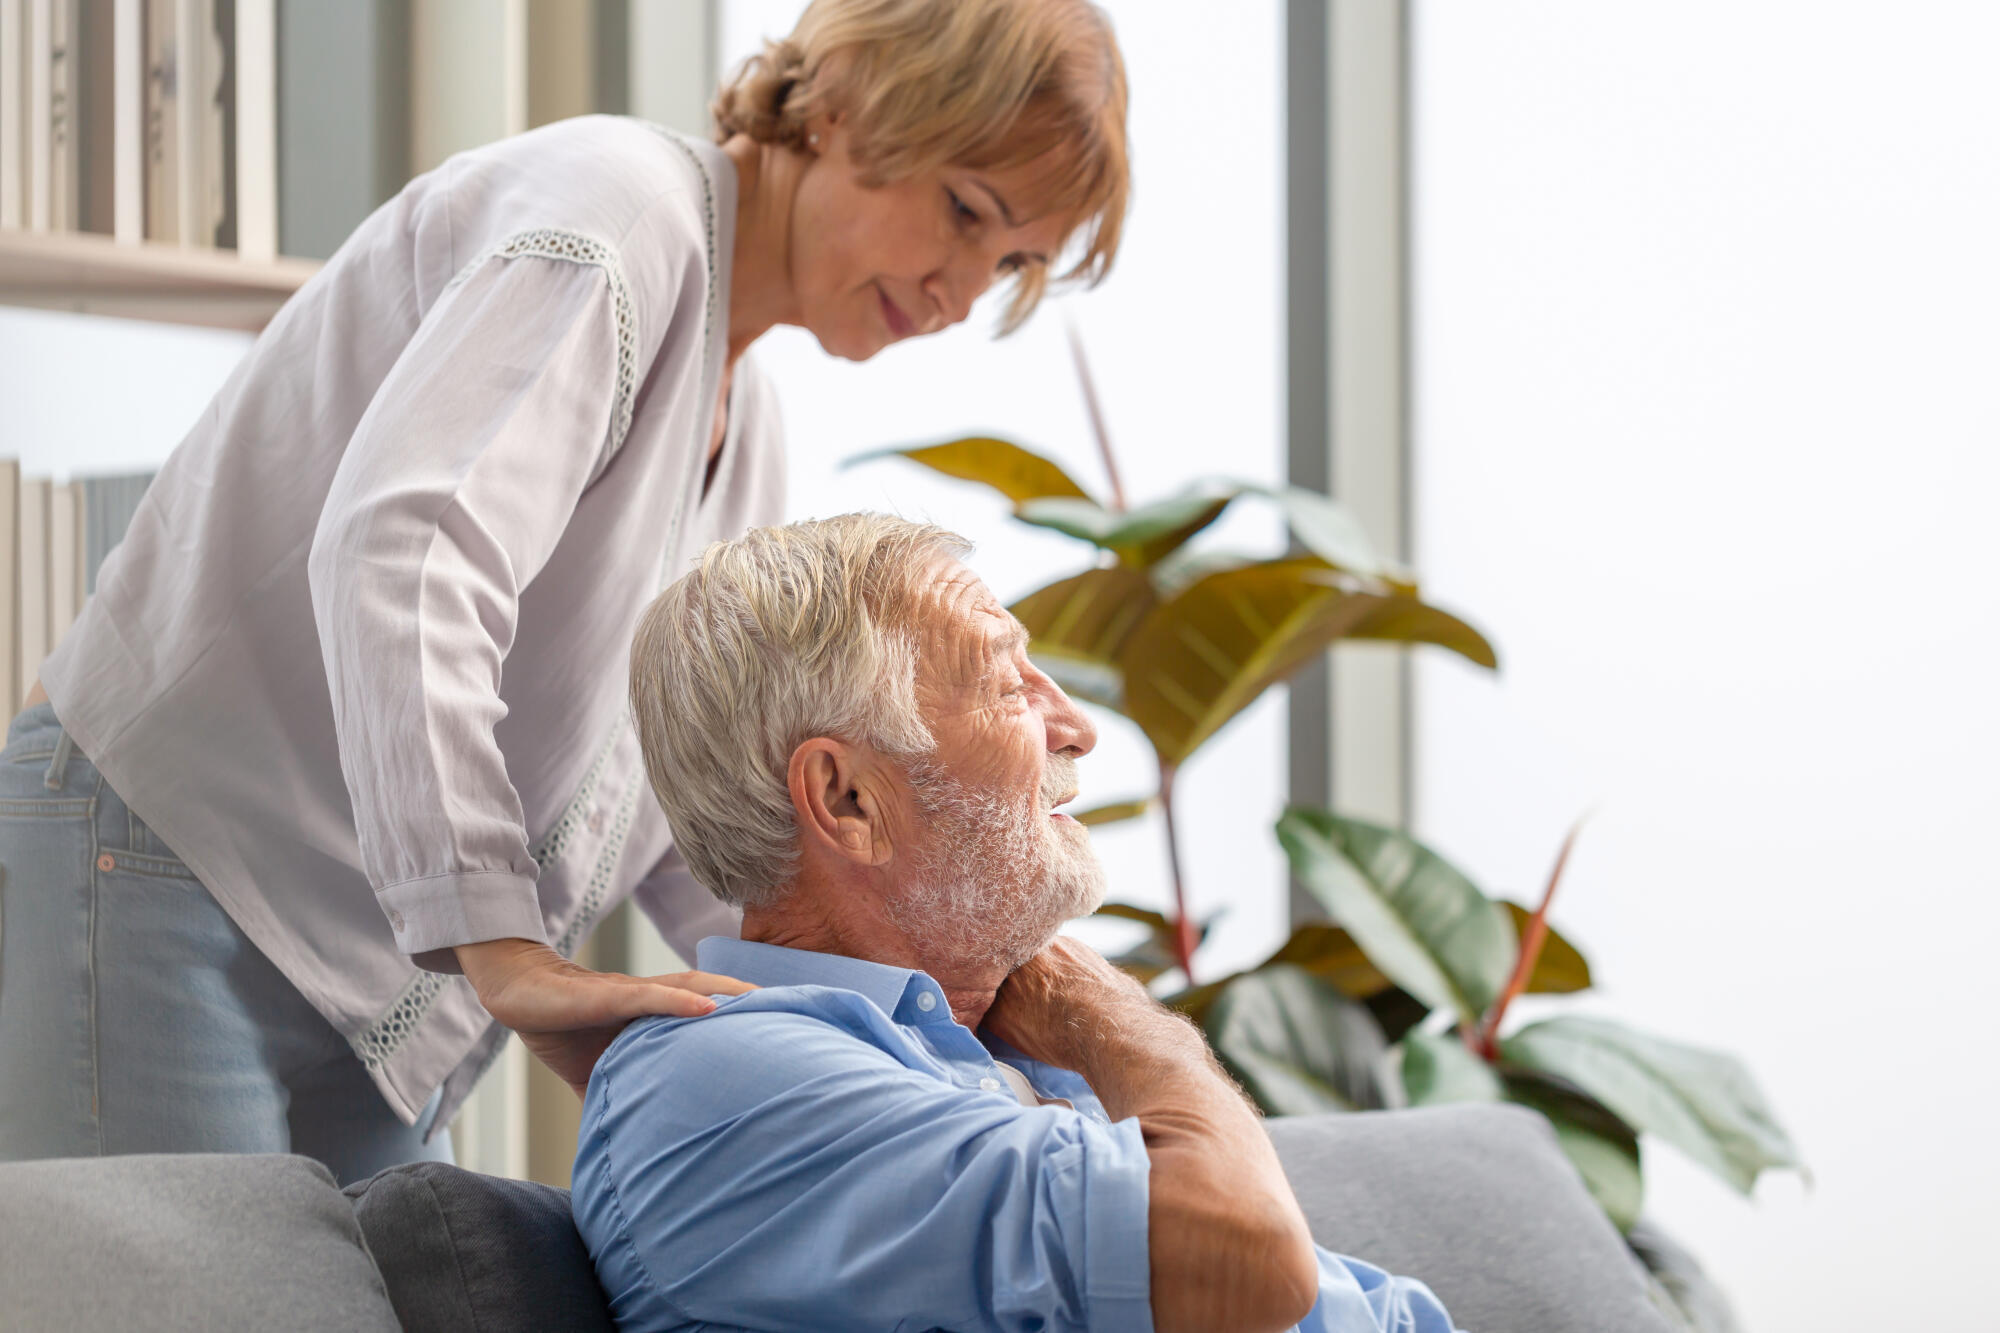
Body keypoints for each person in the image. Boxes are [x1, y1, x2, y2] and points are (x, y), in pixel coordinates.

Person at [0, 0, 1129, 1183]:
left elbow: (701, 806)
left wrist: (880, 1015)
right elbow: (408, 553)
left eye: (1008, 263)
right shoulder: (615, 217)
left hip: (373, 968)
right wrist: (503, 946)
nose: (961, 288)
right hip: (178, 863)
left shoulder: (747, 441)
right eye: (963, 211)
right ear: (849, 91)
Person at [571, 515, 1461, 1333]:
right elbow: (1244, 1259)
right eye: (1009, 686)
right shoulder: (715, 1079)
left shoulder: (1008, 1047)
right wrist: (1107, 1014)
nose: (1076, 728)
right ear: (848, 800)